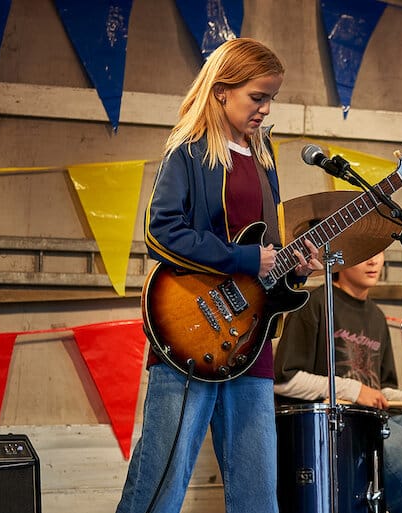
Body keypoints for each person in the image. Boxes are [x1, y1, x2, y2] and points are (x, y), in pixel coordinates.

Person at [116, 38, 320, 513]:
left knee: (258, 494)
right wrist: (245, 260)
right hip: (191, 331)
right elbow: (161, 230)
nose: (266, 109)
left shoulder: (264, 157)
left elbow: (266, 254)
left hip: (253, 343)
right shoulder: (187, 152)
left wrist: (294, 268)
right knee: (160, 484)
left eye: (272, 98)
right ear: (222, 91)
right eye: (258, 96)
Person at [274, 251, 402, 513]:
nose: (373, 261)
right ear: (340, 258)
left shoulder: (377, 316)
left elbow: (380, 390)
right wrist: (353, 389)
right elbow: (283, 380)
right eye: (365, 254)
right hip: (334, 428)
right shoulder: (315, 303)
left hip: (375, 423)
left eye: (379, 253)